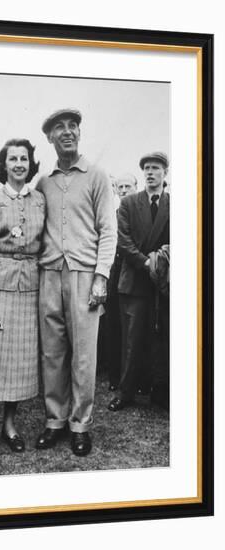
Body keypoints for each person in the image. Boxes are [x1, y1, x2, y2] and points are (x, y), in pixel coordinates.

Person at [35, 109, 117, 456]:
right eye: (59, 128)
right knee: (52, 353)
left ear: (80, 134)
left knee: (84, 355)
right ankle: (55, 421)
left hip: (85, 275)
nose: (67, 132)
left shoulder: (97, 175)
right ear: (50, 138)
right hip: (49, 274)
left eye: (72, 127)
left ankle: (80, 424)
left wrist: (101, 276)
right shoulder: (43, 181)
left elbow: (108, 230)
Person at [0, 139, 45, 458]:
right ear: (4, 163)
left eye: (24, 159)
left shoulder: (40, 200)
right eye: (12, 158)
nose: (18, 164)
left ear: (30, 164)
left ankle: (10, 425)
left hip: (29, 290)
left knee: (20, 364)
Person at [108, 152, 170, 411]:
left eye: (155, 168)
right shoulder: (129, 203)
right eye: (146, 168)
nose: (150, 172)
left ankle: (161, 390)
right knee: (131, 340)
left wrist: (164, 258)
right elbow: (124, 241)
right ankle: (126, 391)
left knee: (162, 337)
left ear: (164, 172)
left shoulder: (174, 204)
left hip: (164, 281)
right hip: (134, 279)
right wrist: (147, 263)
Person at [105, 173, 138, 391]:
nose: (124, 190)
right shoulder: (112, 214)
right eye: (120, 186)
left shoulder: (140, 213)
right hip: (114, 274)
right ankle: (114, 375)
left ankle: (135, 377)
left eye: (128, 186)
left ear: (136, 187)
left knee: (134, 329)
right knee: (113, 325)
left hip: (135, 274)